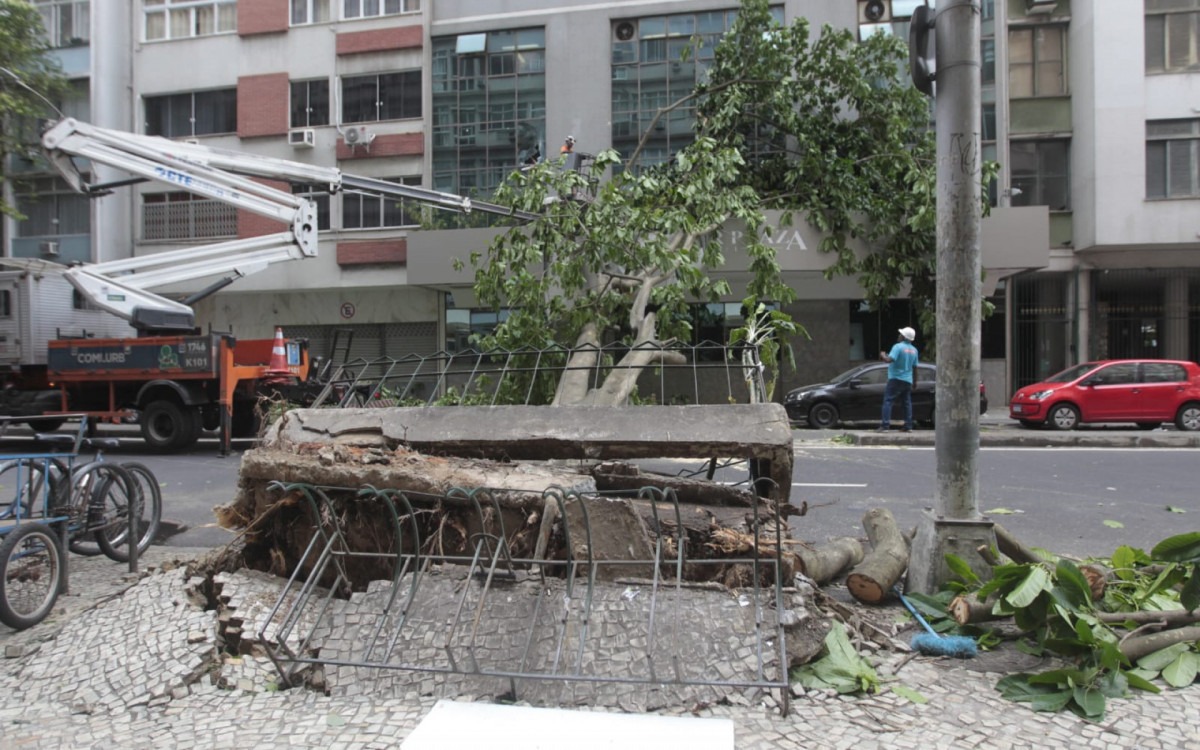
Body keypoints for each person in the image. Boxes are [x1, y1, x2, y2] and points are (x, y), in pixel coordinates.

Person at [878, 326, 919, 432]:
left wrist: (883, 355)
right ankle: (908, 426)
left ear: (904, 337)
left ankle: (885, 426)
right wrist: (915, 382)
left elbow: (889, 360)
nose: (899, 335)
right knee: (906, 403)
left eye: (900, 334)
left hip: (895, 379)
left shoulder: (898, 347)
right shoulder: (914, 350)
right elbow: (915, 368)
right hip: (907, 381)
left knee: (888, 401)